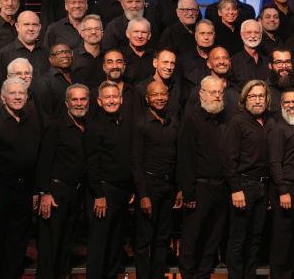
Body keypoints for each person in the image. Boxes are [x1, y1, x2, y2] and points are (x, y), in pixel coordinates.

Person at [0, 77, 41, 279]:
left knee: (17, 246)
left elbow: (35, 159)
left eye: (21, 93)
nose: (17, 97)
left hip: (23, 193)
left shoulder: (32, 122)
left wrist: (34, 191)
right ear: (3, 97)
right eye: (12, 93)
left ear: (27, 96)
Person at [177, 75, 231, 278]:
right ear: (201, 94)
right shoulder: (191, 119)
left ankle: (204, 275)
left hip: (222, 188)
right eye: (212, 92)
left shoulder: (226, 118)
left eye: (220, 92)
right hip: (199, 188)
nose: (217, 96)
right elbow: (185, 158)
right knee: (192, 237)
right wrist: (189, 193)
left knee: (213, 238)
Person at [34, 84, 89, 279]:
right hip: (55, 194)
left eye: (83, 99)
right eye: (75, 99)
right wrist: (45, 193)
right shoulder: (55, 126)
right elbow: (44, 161)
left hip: (76, 194)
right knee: (50, 249)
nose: (79, 103)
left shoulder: (88, 126)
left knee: (66, 247)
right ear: (67, 103)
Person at [85, 81, 135, 279]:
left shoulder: (125, 123)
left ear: (121, 99)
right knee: (99, 246)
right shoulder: (94, 126)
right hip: (103, 193)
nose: (112, 100)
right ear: (99, 101)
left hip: (122, 193)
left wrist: (130, 188)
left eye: (115, 96)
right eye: (107, 97)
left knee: (115, 245)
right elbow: (91, 164)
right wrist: (98, 195)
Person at [223, 80, 272, 279]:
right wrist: (236, 189)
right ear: (244, 100)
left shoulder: (270, 121)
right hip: (243, 185)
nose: (257, 100)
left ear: (267, 99)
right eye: (252, 96)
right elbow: (228, 160)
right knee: (238, 239)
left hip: (263, 186)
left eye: (261, 96)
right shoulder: (237, 122)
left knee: (255, 238)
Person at [132, 80, 180, 279]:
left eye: (163, 94)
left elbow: (177, 157)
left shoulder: (173, 122)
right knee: (144, 240)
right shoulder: (140, 124)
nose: (160, 98)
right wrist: (143, 195)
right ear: (147, 99)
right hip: (149, 187)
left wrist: (178, 189)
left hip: (168, 187)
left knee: (162, 238)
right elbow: (136, 162)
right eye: (155, 95)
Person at [268, 90, 294, 279]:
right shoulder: (278, 129)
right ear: (281, 105)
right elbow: (274, 163)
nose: (291, 105)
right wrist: (283, 190)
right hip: (286, 190)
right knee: (282, 242)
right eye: (287, 102)